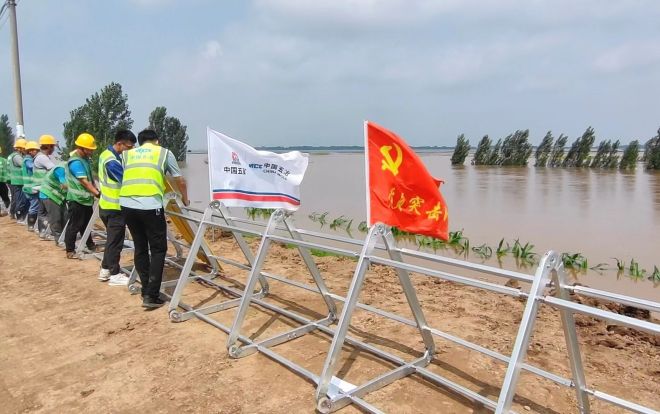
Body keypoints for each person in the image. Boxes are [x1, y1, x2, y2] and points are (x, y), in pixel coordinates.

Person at [119, 129, 189, 308]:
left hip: (127, 204)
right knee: (158, 249)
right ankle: (151, 295)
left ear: (140, 142)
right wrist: (185, 199)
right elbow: (179, 179)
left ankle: (145, 290)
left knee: (140, 246)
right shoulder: (164, 153)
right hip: (150, 205)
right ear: (157, 141)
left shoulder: (127, 155)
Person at [97, 130, 136, 286]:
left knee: (112, 240)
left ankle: (105, 269)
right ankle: (115, 274)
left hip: (106, 205)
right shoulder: (112, 162)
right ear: (120, 144)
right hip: (114, 208)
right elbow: (125, 180)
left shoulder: (106, 155)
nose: (131, 150)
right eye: (129, 147)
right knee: (115, 242)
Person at [64, 133, 100, 259]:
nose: (91, 151)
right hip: (76, 199)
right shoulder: (75, 162)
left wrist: (95, 189)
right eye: (89, 149)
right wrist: (97, 193)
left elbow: (90, 178)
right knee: (74, 225)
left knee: (86, 224)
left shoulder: (85, 160)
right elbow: (84, 181)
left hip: (85, 199)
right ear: (81, 148)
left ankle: (90, 245)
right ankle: (70, 250)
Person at [33, 135, 58, 236]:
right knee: (49, 212)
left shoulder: (42, 157)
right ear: (48, 146)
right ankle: (46, 232)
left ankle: (42, 231)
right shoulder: (42, 157)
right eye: (53, 146)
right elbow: (54, 169)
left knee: (42, 211)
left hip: (41, 187)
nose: (54, 149)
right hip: (44, 188)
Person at [39, 158, 67, 243]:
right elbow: (64, 185)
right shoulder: (61, 168)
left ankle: (63, 236)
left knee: (64, 216)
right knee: (56, 218)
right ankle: (58, 238)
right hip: (50, 195)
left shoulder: (67, 168)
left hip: (56, 196)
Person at [21, 140, 42, 231]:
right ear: (30, 151)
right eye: (35, 150)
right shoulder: (28, 159)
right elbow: (32, 166)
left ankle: (31, 225)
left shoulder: (28, 159)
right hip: (30, 186)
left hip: (29, 186)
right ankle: (31, 226)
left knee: (33, 206)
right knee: (34, 206)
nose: (37, 152)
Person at [7, 138, 29, 222]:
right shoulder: (17, 157)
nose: (26, 150)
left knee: (19, 200)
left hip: (17, 181)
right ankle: (19, 216)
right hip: (18, 181)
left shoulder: (13, 155)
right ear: (20, 148)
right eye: (24, 148)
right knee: (20, 201)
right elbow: (24, 165)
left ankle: (17, 215)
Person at [0, 146, 10, 216]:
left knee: (5, 197)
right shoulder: (5, 161)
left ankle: (4, 211)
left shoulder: (4, 160)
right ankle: (7, 210)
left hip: (3, 182)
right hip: (3, 182)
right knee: (5, 197)